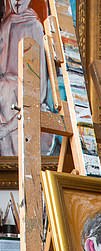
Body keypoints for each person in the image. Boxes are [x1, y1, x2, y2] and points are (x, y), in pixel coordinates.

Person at [0, 0, 49, 155]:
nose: (18, 1)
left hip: (23, 96)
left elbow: (39, 91)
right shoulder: (5, 24)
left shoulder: (34, 26)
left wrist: (7, 127)